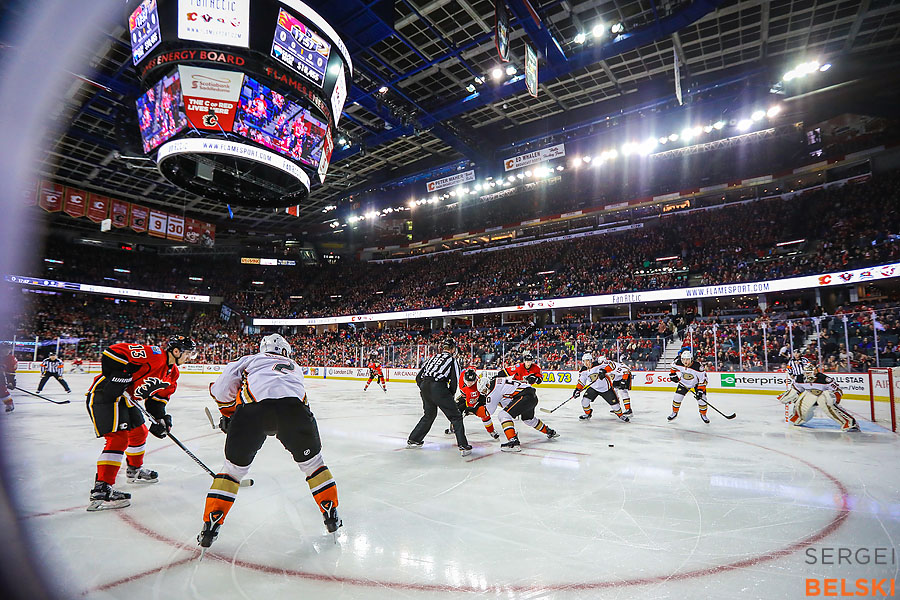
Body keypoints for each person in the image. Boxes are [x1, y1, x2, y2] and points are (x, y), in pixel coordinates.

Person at [199, 333, 341, 549]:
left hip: (253, 411)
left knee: (232, 471)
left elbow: (221, 389)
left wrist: (229, 415)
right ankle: (330, 513)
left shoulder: (249, 360)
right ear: (285, 351)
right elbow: (296, 394)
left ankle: (211, 524)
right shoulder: (294, 366)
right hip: (294, 410)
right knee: (314, 465)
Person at [85, 336, 196, 511]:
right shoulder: (155, 354)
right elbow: (112, 353)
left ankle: (134, 469)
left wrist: (160, 419)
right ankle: (102, 489)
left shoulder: (172, 373)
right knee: (118, 439)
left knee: (139, 432)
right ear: (176, 351)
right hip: (106, 395)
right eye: (188, 353)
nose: (189, 357)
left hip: (127, 401)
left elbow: (157, 401)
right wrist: (119, 376)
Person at [407, 338, 472, 456]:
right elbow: (454, 381)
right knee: (456, 417)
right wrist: (449, 396)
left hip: (425, 386)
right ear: (453, 349)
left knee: (429, 415)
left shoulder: (432, 358)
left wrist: (423, 387)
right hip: (439, 388)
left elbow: (418, 376)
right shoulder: (452, 360)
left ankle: (414, 439)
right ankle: (463, 445)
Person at [478, 375, 558, 452]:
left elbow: (489, 411)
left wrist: (473, 410)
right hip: (531, 396)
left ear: (488, 385)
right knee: (528, 419)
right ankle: (549, 431)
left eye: (484, 390)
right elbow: (507, 402)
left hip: (524, 396)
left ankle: (513, 442)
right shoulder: (498, 381)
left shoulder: (493, 391)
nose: (485, 393)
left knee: (503, 415)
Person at [779, 362, 859, 432]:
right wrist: (789, 395)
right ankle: (800, 417)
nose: (808, 374)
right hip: (811, 394)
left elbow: (838, 391)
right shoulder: (799, 378)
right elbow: (797, 389)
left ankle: (849, 422)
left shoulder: (824, 379)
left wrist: (834, 400)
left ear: (815, 371)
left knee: (827, 404)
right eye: (806, 372)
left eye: (809, 372)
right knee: (800, 404)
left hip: (823, 395)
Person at [572, 353, 630, 422]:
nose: (586, 363)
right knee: (584, 401)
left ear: (591, 360)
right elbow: (581, 381)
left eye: (587, 360)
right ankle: (588, 414)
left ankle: (620, 415)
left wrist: (604, 371)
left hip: (606, 388)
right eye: (584, 361)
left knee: (615, 406)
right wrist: (577, 390)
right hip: (593, 388)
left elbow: (612, 365)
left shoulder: (598, 364)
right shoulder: (583, 371)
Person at [446, 367, 499, 440]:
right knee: (455, 412)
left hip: (478, 398)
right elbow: (469, 368)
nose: (469, 383)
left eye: (471, 382)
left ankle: (491, 431)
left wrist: (468, 411)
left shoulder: (473, 390)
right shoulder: (462, 374)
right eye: (468, 381)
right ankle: (453, 428)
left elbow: (470, 406)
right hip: (465, 397)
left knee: (484, 414)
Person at [667, 350, 709, 423]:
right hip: (684, 383)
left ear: (691, 359)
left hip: (697, 384)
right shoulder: (678, 362)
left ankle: (703, 414)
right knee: (677, 398)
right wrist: (672, 375)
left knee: (702, 399)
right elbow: (673, 368)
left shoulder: (698, 367)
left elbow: (703, 380)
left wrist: (700, 391)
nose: (685, 361)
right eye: (683, 359)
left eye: (687, 359)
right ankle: (674, 412)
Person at [1, 344, 17, 413]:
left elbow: (10, 372)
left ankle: (9, 403)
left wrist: (11, 382)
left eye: (9, 349)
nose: (7, 351)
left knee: (1, 389)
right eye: (4, 349)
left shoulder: (11, 359)